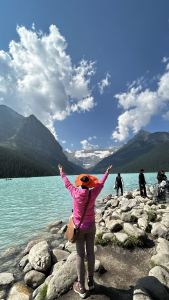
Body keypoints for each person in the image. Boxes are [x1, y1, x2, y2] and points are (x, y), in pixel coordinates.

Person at [58, 164, 112, 298]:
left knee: (80, 256)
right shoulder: (93, 192)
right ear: (89, 184)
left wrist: (61, 171)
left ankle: (81, 287)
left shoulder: (74, 192)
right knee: (91, 253)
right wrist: (107, 172)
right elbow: (101, 183)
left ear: (80, 183)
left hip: (79, 228)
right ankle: (91, 281)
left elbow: (66, 183)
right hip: (91, 227)